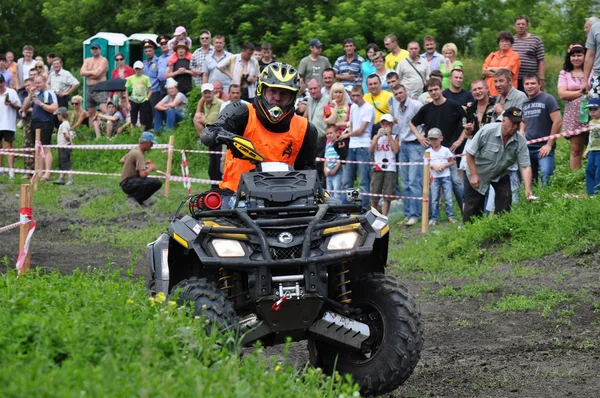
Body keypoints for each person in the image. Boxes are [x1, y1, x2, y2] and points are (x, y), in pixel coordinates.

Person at [201, 62, 318, 204]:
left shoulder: (305, 128)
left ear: (293, 97)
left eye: (284, 93)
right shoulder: (241, 112)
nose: (277, 97)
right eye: (272, 91)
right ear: (261, 90)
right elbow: (209, 132)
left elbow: (307, 171)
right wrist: (227, 137)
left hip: (285, 200)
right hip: (237, 196)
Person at [463, 107, 533, 223]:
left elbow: (525, 166)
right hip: (478, 171)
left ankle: (501, 230)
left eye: (518, 123)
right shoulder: (487, 130)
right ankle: (469, 235)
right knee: (473, 207)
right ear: (504, 120)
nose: (515, 126)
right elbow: (470, 153)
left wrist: (528, 188)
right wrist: (474, 175)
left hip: (500, 173)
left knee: (505, 199)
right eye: (513, 123)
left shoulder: (520, 140)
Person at [409, 78, 466, 211]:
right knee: (431, 183)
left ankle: (464, 209)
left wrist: (460, 140)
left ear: (441, 89)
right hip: (432, 151)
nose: (434, 92)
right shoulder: (426, 109)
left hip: (448, 150)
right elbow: (412, 123)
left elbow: (467, 123)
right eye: (431, 91)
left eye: (436, 89)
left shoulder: (454, 105)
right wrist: (419, 137)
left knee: (456, 182)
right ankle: (432, 214)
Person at [389, 84, 424, 226]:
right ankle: (408, 213)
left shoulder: (416, 105)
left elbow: (425, 122)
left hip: (416, 145)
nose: (399, 96)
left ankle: (417, 214)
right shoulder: (396, 107)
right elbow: (399, 128)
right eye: (396, 94)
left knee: (414, 181)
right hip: (403, 145)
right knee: (404, 182)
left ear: (406, 92)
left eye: (401, 92)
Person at [522, 74, 562, 186]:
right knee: (531, 179)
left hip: (544, 147)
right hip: (527, 148)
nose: (530, 86)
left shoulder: (548, 99)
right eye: (527, 84)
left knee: (546, 174)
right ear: (523, 86)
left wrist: (549, 144)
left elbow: (558, 121)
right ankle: (532, 201)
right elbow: (523, 121)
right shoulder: (524, 103)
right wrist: (522, 131)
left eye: (533, 83)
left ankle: (546, 201)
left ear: (539, 84)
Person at [338, 85, 375, 207]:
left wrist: (347, 135)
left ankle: (364, 207)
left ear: (362, 94)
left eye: (357, 96)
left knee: (364, 180)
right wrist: (348, 136)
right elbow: (353, 126)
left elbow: (361, 130)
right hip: (353, 145)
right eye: (353, 96)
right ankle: (347, 206)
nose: (355, 98)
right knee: (348, 180)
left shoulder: (369, 108)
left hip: (364, 145)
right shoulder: (353, 107)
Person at [21, 75, 58, 181]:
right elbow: (25, 107)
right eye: (36, 83)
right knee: (38, 148)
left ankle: (47, 173)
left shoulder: (49, 93)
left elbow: (54, 108)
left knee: (46, 148)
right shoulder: (36, 94)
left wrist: (40, 104)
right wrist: (30, 94)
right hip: (35, 123)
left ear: (45, 82)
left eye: (39, 83)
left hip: (45, 122)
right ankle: (40, 172)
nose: (37, 85)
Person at [558, 44, 589, 170]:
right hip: (574, 114)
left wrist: (573, 94)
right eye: (573, 55)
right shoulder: (565, 73)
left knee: (595, 147)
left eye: (579, 55)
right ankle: (575, 177)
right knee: (576, 149)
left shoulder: (592, 71)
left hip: (594, 113)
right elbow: (562, 94)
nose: (576, 58)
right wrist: (582, 92)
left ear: (585, 56)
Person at [120, 131, 162, 205]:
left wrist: (141, 164)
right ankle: (135, 199)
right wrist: (150, 168)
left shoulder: (135, 150)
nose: (151, 146)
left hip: (125, 182)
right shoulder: (139, 154)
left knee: (148, 182)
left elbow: (122, 160)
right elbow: (142, 174)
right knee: (156, 183)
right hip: (128, 183)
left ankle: (136, 199)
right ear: (145, 143)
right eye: (151, 144)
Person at [426, 128, 457, 225]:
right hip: (434, 177)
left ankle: (450, 216)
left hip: (445, 176)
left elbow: (452, 162)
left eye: (435, 139)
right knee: (434, 198)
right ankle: (434, 217)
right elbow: (426, 164)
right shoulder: (427, 151)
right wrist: (433, 166)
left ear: (441, 138)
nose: (433, 141)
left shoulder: (446, 150)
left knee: (448, 197)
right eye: (431, 139)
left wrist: (444, 165)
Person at [369, 113, 399, 215]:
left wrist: (389, 135)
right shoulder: (376, 136)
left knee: (388, 194)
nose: (385, 126)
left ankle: (384, 216)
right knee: (374, 193)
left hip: (390, 168)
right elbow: (371, 149)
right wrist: (377, 137)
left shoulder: (395, 136)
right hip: (377, 167)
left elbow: (395, 150)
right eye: (383, 124)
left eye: (388, 124)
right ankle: (375, 215)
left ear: (392, 125)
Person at [304, 79, 329, 186]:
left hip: (324, 137)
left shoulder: (328, 99)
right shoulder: (309, 100)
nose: (313, 91)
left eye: (315, 88)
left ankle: (323, 189)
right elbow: (305, 116)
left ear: (320, 88)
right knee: (312, 165)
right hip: (312, 138)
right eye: (311, 89)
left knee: (321, 166)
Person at [482, 31, 521, 97]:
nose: (504, 43)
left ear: (510, 43)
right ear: (499, 43)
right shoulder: (492, 55)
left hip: (506, 94)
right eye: (502, 41)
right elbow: (483, 71)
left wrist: (491, 68)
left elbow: (507, 71)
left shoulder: (515, 55)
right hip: (489, 92)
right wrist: (500, 74)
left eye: (506, 41)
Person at [512, 16, 546, 91]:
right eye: (518, 24)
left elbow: (541, 61)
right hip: (514, 79)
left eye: (523, 24)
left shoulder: (536, 40)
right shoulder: (511, 40)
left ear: (527, 26)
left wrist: (541, 79)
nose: (521, 26)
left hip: (530, 79)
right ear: (514, 26)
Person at [80, 42, 109, 126]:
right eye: (93, 49)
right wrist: (93, 72)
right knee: (91, 112)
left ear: (99, 49)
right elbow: (82, 72)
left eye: (96, 48)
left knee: (104, 109)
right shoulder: (87, 60)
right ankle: (92, 132)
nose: (94, 50)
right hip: (89, 87)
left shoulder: (103, 60)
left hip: (100, 87)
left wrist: (88, 73)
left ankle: (107, 129)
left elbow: (98, 74)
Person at [0, 74, 22, 179]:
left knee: (9, 147)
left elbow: (19, 107)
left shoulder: (11, 92)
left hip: (8, 124)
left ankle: (11, 171)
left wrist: (11, 104)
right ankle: (0, 169)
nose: (0, 85)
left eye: (1, 83)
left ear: (4, 82)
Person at [125, 61, 152, 131]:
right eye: (136, 69)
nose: (138, 71)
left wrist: (146, 99)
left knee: (143, 118)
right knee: (133, 118)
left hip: (143, 100)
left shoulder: (146, 78)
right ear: (134, 69)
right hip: (133, 100)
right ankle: (132, 135)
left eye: (139, 69)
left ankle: (141, 133)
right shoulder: (130, 78)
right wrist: (128, 102)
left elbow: (150, 90)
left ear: (142, 69)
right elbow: (127, 91)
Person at [583, 98, 600, 194]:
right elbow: (591, 137)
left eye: (595, 109)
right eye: (590, 110)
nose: (592, 112)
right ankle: (590, 194)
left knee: (599, 173)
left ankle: (598, 194)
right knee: (589, 170)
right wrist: (587, 149)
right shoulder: (591, 122)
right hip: (593, 150)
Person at [53, 107, 73, 185]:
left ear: (61, 115)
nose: (57, 116)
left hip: (64, 146)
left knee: (66, 163)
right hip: (61, 146)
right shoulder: (66, 124)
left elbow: (66, 134)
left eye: (58, 115)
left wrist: (69, 141)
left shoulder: (64, 124)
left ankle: (70, 178)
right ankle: (61, 178)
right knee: (62, 163)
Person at [324, 124, 343, 199]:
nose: (329, 135)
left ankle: (337, 208)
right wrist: (325, 169)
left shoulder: (339, 144)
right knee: (328, 192)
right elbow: (326, 158)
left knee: (336, 192)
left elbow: (340, 159)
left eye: (331, 133)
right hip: (328, 172)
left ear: (337, 133)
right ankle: (328, 206)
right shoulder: (328, 146)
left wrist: (335, 170)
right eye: (327, 133)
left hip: (337, 172)